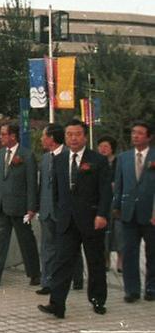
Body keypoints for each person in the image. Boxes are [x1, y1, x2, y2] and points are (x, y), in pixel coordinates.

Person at [39, 119, 111, 319]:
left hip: (91, 220)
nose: (73, 138)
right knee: (62, 262)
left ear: (85, 136)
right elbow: (56, 192)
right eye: (69, 134)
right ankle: (57, 304)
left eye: (77, 134)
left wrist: (102, 214)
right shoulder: (59, 159)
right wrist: (59, 213)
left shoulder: (97, 160)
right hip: (67, 221)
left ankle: (97, 300)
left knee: (95, 262)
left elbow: (106, 192)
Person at [0, 123, 41, 288]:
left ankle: (34, 274)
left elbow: (32, 183)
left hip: (20, 207)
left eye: (4, 134)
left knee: (26, 241)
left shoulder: (26, 155)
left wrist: (32, 207)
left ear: (13, 136)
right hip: (2, 207)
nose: (1, 137)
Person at [36, 124, 84, 295]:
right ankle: (47, 282)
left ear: (51, 138)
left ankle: (77, 278)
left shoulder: (68, 156)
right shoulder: (45, 158)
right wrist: (36, 207)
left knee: (71, 247)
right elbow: (42, 185)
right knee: (47, 247)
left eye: (43, 136)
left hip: (65, 212)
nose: (41, 139)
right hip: (47, 210)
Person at [112, 120, 155, 303]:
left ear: (149, 136)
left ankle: (151, 288)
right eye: (133, 132)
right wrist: (116, 208)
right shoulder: (123, 157)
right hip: (128, 213)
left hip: (151, 214)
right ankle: (132, 290)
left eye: (139, 133)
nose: (135, 136)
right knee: (129, 252)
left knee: (152, 253)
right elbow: (119, 185)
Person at [97, 135, 123, 273]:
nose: (103, 149)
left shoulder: (120, 161)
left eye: (106, 146)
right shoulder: (97, 162)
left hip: (118, 201)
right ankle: (105, 261)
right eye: (100, 146)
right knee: (104, 233)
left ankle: (120, 262)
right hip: (102, 202)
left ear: (112, 148)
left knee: (119, 232)